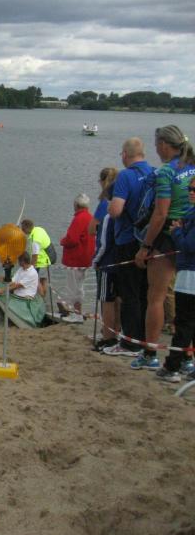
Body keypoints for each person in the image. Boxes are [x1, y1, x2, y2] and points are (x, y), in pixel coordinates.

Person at [131, 125, 195, 370]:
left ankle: (150, 353)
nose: (155, 149)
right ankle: (186, 357)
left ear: (165, 145)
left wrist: (146, 246)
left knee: (156, 297)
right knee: (187, 299)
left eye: (157, 144)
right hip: (190, 232)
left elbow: (160, 213)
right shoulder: (192, 166)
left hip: (169, 235)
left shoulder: (166, 172)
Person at [104, 138, 154, 357]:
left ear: (125, 154)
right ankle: (144, 339)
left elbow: (116, 210)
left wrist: (109, 208)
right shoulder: (154, 172)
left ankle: (129, 343)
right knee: (145, 293)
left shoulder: (126, 175)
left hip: (127, 239)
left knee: (129, 292)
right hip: (148, 240)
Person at [157, 175, 195, 382]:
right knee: (189, 324)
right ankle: (184, 364)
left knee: (183, 323)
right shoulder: (190, 212)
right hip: (187, 273)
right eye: (189, 189)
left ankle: (172, 367)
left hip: (190, 276)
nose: (191, 193)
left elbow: (189, 245)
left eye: (194, 190)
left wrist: (177, 231)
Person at [89, 167, 121, 349]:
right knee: (117, 298)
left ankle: (107, 335)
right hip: (120, 258)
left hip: (106, 261)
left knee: (106, 299)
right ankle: (116, 331)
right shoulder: (122, 206)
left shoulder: (106, 208)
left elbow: (94, 233)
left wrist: (95, 261)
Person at [60, 193, 95, 323]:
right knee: (79, 287)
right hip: (86, 258)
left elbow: (72, 239)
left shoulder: (79, 218)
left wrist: (62, 241)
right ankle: (78, 312)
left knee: (72, 287)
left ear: (76, 205)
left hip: (75, 259)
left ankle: (74, 314)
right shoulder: (90, 217)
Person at [20, 219, 52, 297]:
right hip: (47, 259)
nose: (22, 231)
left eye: (23, 229)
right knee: (43, 279)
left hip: (40, 261)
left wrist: (31, 269)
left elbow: (35, 255)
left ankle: (41, 297)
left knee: (35, 279)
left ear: (26, 228)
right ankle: (44, 298)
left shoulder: (35, 240)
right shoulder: (39, 229)